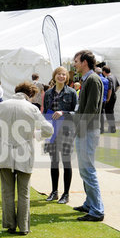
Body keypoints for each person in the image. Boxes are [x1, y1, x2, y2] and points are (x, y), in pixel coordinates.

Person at [0, 82, 53, 235]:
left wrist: (2, 133)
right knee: (24, 192)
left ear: (17, 91)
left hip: (5, 152)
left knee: (7, 191)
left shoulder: (2, 106)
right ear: (30, 94)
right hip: (24, 152)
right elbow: (48, 129)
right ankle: (24, 227)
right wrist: (37, 135)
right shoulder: (32, 108)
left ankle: (10, 224)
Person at [73, 50, 105, 222]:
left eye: (76, 60)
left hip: (88, 131)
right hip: (84, 130)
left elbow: (91, 109)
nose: (74, 63)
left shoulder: (92, 80)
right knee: (85, 170)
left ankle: (97, 210)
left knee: (88, 170)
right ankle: (90, 203)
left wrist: (80, 129)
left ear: (85, 62)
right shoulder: (86, 80)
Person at [43, 67, 77, 204]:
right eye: (59, 74)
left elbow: (77, 112)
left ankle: (66, 194)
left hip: (67, 131)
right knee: (54, 162)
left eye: (64, 74)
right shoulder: (48, 93)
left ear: (67, 77)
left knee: (66, 162)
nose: (61, 76)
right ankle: (54, 191)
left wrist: (64, 112)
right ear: (54, 76)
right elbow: (45, 112)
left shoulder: (72, 93)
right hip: (52, 131)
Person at [102, 65, 120, 133]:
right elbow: (118, 86)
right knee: (111, 112)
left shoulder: (108, 78)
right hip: (114, 96)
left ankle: (112, 128)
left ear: (104, 71)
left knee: (109, 113)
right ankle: (112, 127)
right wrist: (114, 91)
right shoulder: (114, 76)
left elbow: (109, 89)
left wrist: (108, 98)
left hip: (110, 97)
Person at [95, 67, 110, 134]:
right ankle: (102, 129)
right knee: (101, 114)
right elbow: (109, 90)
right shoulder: (106, 80)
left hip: (96, 99)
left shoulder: (95, 79)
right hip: (103, 99)